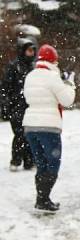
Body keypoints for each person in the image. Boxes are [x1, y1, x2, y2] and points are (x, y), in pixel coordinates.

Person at [22, 44, 76, 212]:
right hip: (48, 126)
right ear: (53, 60)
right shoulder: (53, 77)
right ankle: (44, 199)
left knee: (41, 164)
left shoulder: (30, 75)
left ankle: (41, 198)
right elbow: (67, 100)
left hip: (30, 126)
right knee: (52, 164)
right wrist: (69, 83)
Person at [0, 37, 37, 170]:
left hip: (30, 107)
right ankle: (16, 161)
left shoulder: (34, 67)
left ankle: (29, 161)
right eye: (28, 50)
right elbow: (5, 88)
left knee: (29, 134)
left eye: (33, 50)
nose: (31, 53)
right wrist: (6, 107)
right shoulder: (14, 66)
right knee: (20, 134)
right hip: (16, 107)